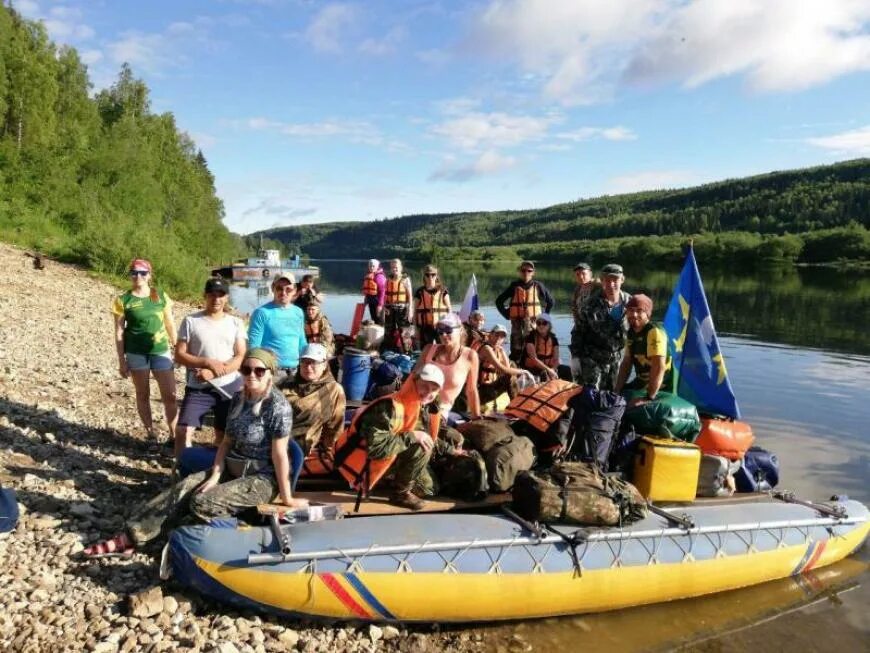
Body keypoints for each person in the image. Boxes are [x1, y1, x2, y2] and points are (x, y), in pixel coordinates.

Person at [82, 348, 304, 557]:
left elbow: (280, 455)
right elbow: (226, 443)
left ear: (270, 373)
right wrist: (216, 474)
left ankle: (181, 540)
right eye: (246, 369)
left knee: (202, 502)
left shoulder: (277, 407)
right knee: (185, 488)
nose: (252, 375)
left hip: (261, 479)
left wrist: (286, 498)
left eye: (259, 370)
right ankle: (130, 537)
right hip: (233, 467)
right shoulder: (238, 398)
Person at [333, 364, 453, 510]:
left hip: (390, 455)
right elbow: (376, 449)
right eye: (424, 386)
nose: (429, 393)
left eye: (434, 389)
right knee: (421, 452)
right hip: (362, 466)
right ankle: (399, 493)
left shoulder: (422, 406)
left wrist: (451, 450)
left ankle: (391, 480)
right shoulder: (389, 407)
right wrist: (413, 436)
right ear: (413, 382)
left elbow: (428, 436)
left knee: (430, 488)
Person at [174, 277, 247, 457]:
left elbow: (239, 356)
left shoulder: (236, 323)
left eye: (220, 295)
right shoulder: (190, 320)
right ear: (205, 296)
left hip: (229, 386)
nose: (216, 299)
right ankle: (181, 466)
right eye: (212, 295)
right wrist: (206, 362)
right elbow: (179, 354)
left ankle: (216, 465)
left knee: (223, 433)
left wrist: (212, 373)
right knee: (183, 430)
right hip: (198, 387)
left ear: (227, 297)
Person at [111, 258, 178, 442]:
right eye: (134, 272)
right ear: (130, 275)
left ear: (149, 275)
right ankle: (150, 433)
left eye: (142, 272)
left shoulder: (160, 296)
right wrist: (121, 361)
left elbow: (170, 323)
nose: (138, 276)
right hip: (135, 353)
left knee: (170, 395)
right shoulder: (123, 300)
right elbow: (119, 331)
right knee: (142, 393)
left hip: (160, 350)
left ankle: (174, 435)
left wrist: (177, 347)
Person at [574, 263, 631, 390]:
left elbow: (639, 331)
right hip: (592, 361)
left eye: (615, 279)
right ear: (601, 281)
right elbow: (578, 331)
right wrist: (575, 357)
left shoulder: (631, 304)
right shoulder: (590, 304)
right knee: (591, 398)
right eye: (607, 280)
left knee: (613, 397)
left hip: (618, 361)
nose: (611, 284)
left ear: (622, 280)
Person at [283, 343, 346, 456]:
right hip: (273, 437)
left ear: (324, 365)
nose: (308, 367)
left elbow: (335, 426)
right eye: (304, 362)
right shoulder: (286, 383)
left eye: (313, 362)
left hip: (298, 445)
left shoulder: (333, 390)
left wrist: (329, 450)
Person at [416, 313, 481, 419]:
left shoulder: (470, 356)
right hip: (417, 402)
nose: (443, 335)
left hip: (440, 411)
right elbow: (413, 378)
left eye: (448, 330)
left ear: (460, 329)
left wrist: (477, 416)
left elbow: (471, 390)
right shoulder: (429, 349)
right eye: (440, 331)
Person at [247, 273, 307, 387]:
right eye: (279, 288)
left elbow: (301, 341)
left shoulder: (298, 312)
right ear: (272, 288)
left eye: (288, 289)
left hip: (296, 371)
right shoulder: (261, 313)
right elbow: (253, 347)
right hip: (272, 372)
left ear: (294, 290)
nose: (283, 293)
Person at [615, 294, 673, 405]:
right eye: (631, 310)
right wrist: (617, 389)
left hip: (661, 387)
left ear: (647, 314)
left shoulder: (654, 331)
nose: (634, 314)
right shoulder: (631, 332)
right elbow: (626, 364)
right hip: (641, 384)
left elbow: (659, 366)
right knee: (610, 397)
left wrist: (649, 397)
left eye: (639, 311)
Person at [495, 261, 555, 362]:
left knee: (533, 346)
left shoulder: (538, 286)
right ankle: (515, 368)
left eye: (529, 270)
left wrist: (544, 316)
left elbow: (551, 301)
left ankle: (535, 367)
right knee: (516, 348)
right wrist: (506, 314)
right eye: (523, 270)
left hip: (533, 322)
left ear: (533, 272)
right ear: (519, 271)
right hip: (517, 322)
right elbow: (499, 301)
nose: (526, 272)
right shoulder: (514, 286)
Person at [476, 324, 525, 413]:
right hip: (481, 390)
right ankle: (516, 408)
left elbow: (507, 368)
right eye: (497, 335)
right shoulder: (486, 348)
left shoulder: (499, 349)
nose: (499, 338)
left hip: (491, 387)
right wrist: (524, 371)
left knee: (512, 367)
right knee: (510, 375)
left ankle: (516, 404)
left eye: (502, 336)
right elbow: (501, 368)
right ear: (490, 335)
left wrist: (502, 351)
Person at [569, 262, 596, 382]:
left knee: (592, 361)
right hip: (580, 329)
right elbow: (574, 308)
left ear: (590, 274)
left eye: (583, 273)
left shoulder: (597, 285)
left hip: (594, 330)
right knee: (577, 358)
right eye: (578, 274)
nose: (581, 276)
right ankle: (577, 381)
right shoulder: (577, 289)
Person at [414, 264, 451, 346]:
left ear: (436, 276)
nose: (430, 277)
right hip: (425, 327)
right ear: (424, 276)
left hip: (441, 326)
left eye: (433, 275)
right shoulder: (419, 292)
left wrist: (449, 328)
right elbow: (415, 312)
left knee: (442, 348)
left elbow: (449, 310)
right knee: (426, 349)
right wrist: (416, 329)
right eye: (427, 275)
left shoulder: (443, 290)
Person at [522, 314, 560, 381]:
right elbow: (534, 359)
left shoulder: (554, 339)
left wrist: (553, 369)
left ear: (549, 325)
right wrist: (549, 370)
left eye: (544, 323)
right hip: (532, 368)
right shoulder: (531, 337)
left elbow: (556, 358)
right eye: (538, 323)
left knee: (566, 369)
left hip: (549, 367)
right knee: (544, 373)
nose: (541, 326)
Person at [383, 259, 414, 341]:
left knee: (404, 331)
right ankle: (389, 349)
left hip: (402, 309)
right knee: (389, 330)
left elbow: (410, 296)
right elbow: (385, 295)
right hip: (390, 308)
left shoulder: (405, 280)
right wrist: (384, 306)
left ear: (401, 268)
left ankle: (407, 350)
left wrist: (410, 310)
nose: (394, 269)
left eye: (396, 267)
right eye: (392, 267)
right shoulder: (388, 279)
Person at [361, 259, 386, 325]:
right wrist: (366, 299)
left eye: (373, 266)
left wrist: (380, 305)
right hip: (371, 302)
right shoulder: (369, 275)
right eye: (370, 266)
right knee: (374, 319)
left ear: (377, 267)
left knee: (380, 320)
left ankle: (382, 333)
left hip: (378, 303)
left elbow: (382, 292)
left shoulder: (379, 277)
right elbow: (368, 292)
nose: (371, 267)